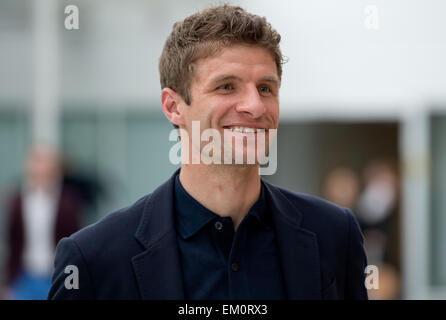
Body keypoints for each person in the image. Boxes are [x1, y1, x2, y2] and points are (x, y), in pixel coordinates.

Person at [48, 5, 368, 300]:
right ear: (173, 107)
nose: (255, 106)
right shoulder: (93, 259)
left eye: (266, 88)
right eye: (226, 86)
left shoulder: (335, 234)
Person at [2, 145, 83, 299]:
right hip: (24, 276)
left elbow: (75, 240)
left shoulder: (68, 202)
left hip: (54, 273)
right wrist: (8, 282)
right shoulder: (17, 200)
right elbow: (12, 242)